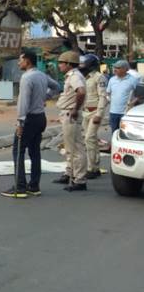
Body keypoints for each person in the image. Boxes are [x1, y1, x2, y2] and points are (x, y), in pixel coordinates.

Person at [2, 51, 60, 198]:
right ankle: (34, 185)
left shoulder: (27, 77)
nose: (18, 63)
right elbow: (56, 87)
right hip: (40, 117)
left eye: (20, 60)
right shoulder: (41, 75)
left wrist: (20, 122)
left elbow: (23, 101)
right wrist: (44, 97)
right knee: (35, 152)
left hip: (29, 119)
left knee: (18, 151)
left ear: (27, 61)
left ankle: (20, 186)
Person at [53, 51, 88, 191]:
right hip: (66, 113)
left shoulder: (74, 76)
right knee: (69, 147)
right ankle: (69, 173)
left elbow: (81, 92)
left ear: (68, 64)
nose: (59, 66)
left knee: (75, 148)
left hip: (71, 114)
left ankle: (79, 179)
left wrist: (75, 108)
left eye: (61, 63)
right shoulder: (70, 76)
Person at [79, 54, 108, 179]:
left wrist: (99, 114)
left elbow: (103, 97)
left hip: (94, 112)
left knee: (89, 138)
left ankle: (92, 168)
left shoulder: (99, 77)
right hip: (84, 112)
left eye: (84, 64)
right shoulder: (82, 78)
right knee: (90, 139)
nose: (82, 66)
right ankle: (95, 167)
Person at [106, 60, 140, 133]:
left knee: (125, 133)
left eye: (118, 68)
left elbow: (139, 95)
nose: (115, 69)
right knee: (114, 132)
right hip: (113, 112)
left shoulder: (133, 80)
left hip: (126, 113)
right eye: (114, 67)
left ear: (125, 69)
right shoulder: (112, 80)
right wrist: (108, 99)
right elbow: (108, 93)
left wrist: (132, 103)